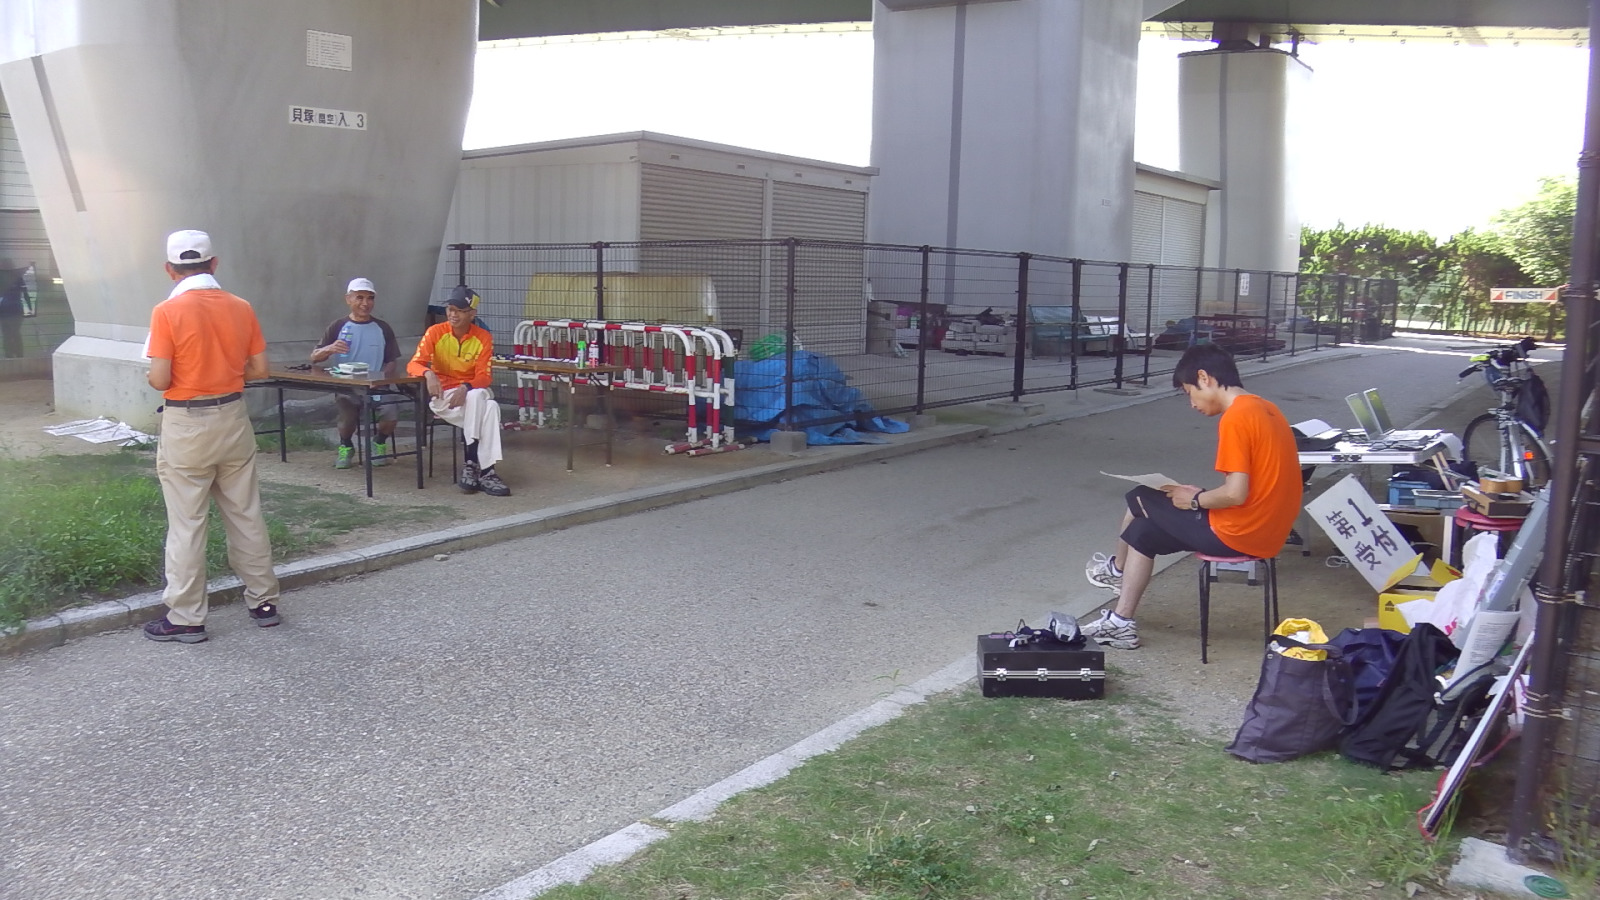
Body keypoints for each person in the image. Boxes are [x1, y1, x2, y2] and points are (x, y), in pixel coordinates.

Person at [1081, 343, 1300, 650]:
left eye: (1188, 392)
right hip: (1268, 532)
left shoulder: (1236, 417)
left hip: (1240, 532)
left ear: (1204, 378)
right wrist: (1200, 496)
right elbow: (1250, 489)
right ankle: (1121, 623)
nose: (1192, 403)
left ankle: (1116, 570)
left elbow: (1236, 494)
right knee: (1142, 532)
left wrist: (1194, 501)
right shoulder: (1267, 408)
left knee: (1140, 496)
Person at [143, 230, 282, 643]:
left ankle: (187, 616)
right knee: (245, 513)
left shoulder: (166, 311)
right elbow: (259, 369)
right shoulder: (241, 307)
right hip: (232, 415)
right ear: (214, 263)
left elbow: (160, 379)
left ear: (169, 270)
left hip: (186, 423)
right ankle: (264, 602)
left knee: (187, 523)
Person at [407, 286, 510, 496]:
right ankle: (487, 472)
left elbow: (485, 377)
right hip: (445, 397)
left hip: (473, 393)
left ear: (472, 314)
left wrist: (466, 387)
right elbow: (413, 364)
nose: (453, 314)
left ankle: (471, 465)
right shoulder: (435, 332)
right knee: (490, 408)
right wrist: (429, 374)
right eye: (450, 309)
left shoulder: (483, 337)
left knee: (477, 396)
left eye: (460, 310)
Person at [310, 277, 402, 469]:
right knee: (347, 419)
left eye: (370, 298)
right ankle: (346, 446)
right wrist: (330, 349)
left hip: (377, 386)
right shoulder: (337, 326)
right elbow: (315, 357)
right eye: (359, 297)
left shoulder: (383, 327)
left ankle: (379, 442)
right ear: (348, 299)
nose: (365, 303)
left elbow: (392, 360)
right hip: (347, 387)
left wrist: (381, 378)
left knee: (391, 413)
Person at [0, 260, 27, 358]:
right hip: (14, 311)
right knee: (14, 333)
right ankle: (18, 355)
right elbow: (25, 292)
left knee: (8, 334)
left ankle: (10, 355)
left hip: (7, 311)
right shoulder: (18, 278)